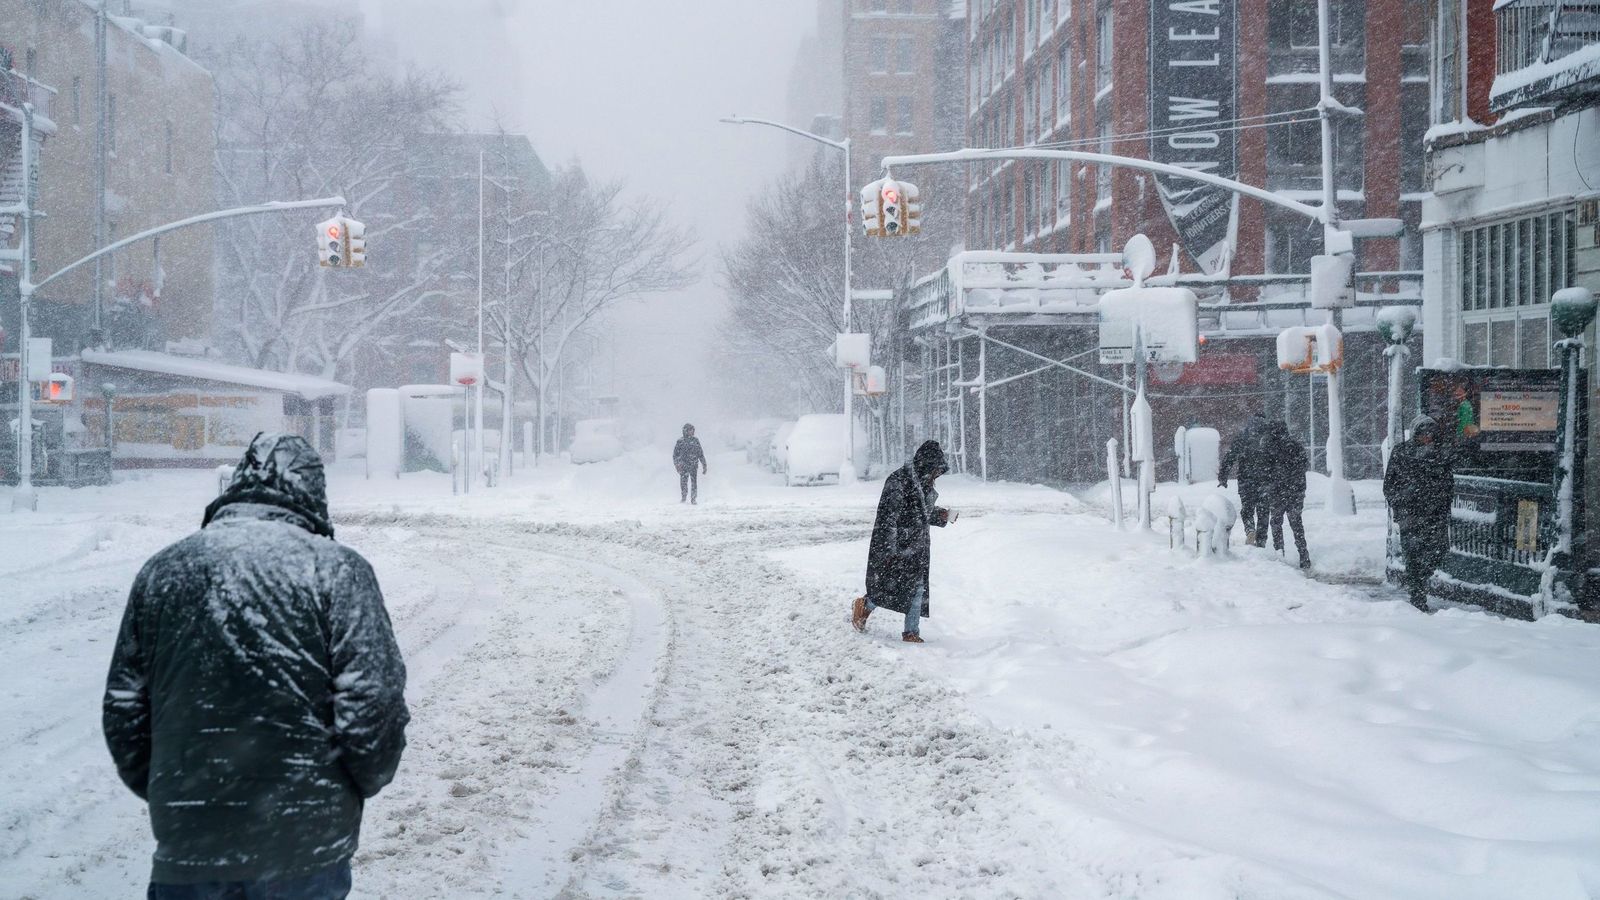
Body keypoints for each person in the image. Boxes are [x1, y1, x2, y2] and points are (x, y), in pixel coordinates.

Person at [103, 433, 409, 899]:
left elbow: (125, 708)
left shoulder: (163, 571)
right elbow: (373, 704)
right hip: (304, 840)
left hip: (189, 846)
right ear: (314, 493)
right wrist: (353, 785)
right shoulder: (337, 571)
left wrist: (181, 794)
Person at [853, 440, 954, 644]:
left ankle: (911, 632)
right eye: (934, 470)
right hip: (898, 546)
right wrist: (889, 550)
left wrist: (940, 516)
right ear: (925, 465)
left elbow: (919, 514)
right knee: (888, 586)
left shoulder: (922, 484)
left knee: (916, 588)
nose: (936, 475)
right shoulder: (898, 481)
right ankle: (864, 605)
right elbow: (888, 518)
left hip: (917, 547)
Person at [1383, 416, 1467, 612]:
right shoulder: (1402, 452)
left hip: (1435, 513)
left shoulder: (1441, 453)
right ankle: (1417, 594)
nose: (1428, 437)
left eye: (1431, 433)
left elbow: (1449, 480)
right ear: (1416, 433)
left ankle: (1420, 579)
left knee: (1439, 550)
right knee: (1413, 554)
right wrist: (1400, 503)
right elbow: (1389, 484)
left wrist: (1444, 501)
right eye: (1424, 433)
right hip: (1410, 513)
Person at [1261, 419, 1311, 570]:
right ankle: (1304, 556)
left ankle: (1280, 554)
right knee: (1296, 523)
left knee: (1276, 523)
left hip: (1277, 491)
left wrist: (1269, 484)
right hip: (1295, 491)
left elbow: (1264, 470)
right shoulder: (1295, 445)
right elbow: (1304, 465)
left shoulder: (1269, 447)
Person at [1219, 412, 1271, 546]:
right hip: (1265, 480)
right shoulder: (1268, 437)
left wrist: (1223, 476)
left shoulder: (1243, 437)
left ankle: (1249, 529)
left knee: (1247, 509)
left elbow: (1230, 457)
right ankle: (1261, 540)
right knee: (1263, 511)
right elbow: (1276, 459)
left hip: (1245, 479)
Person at [673, 423, 708, 504]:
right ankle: (684, 497)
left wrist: (704, 465)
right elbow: (675, 455)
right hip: (683, 466)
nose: (693, 432)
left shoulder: (695, 440)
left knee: (694, 482)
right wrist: (677, 464)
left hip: (693, 465)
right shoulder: (680, 441)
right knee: (683, 482)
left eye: (693, 430)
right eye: (691, 430)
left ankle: (693, 498)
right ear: (686, 431)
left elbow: (700, 453)